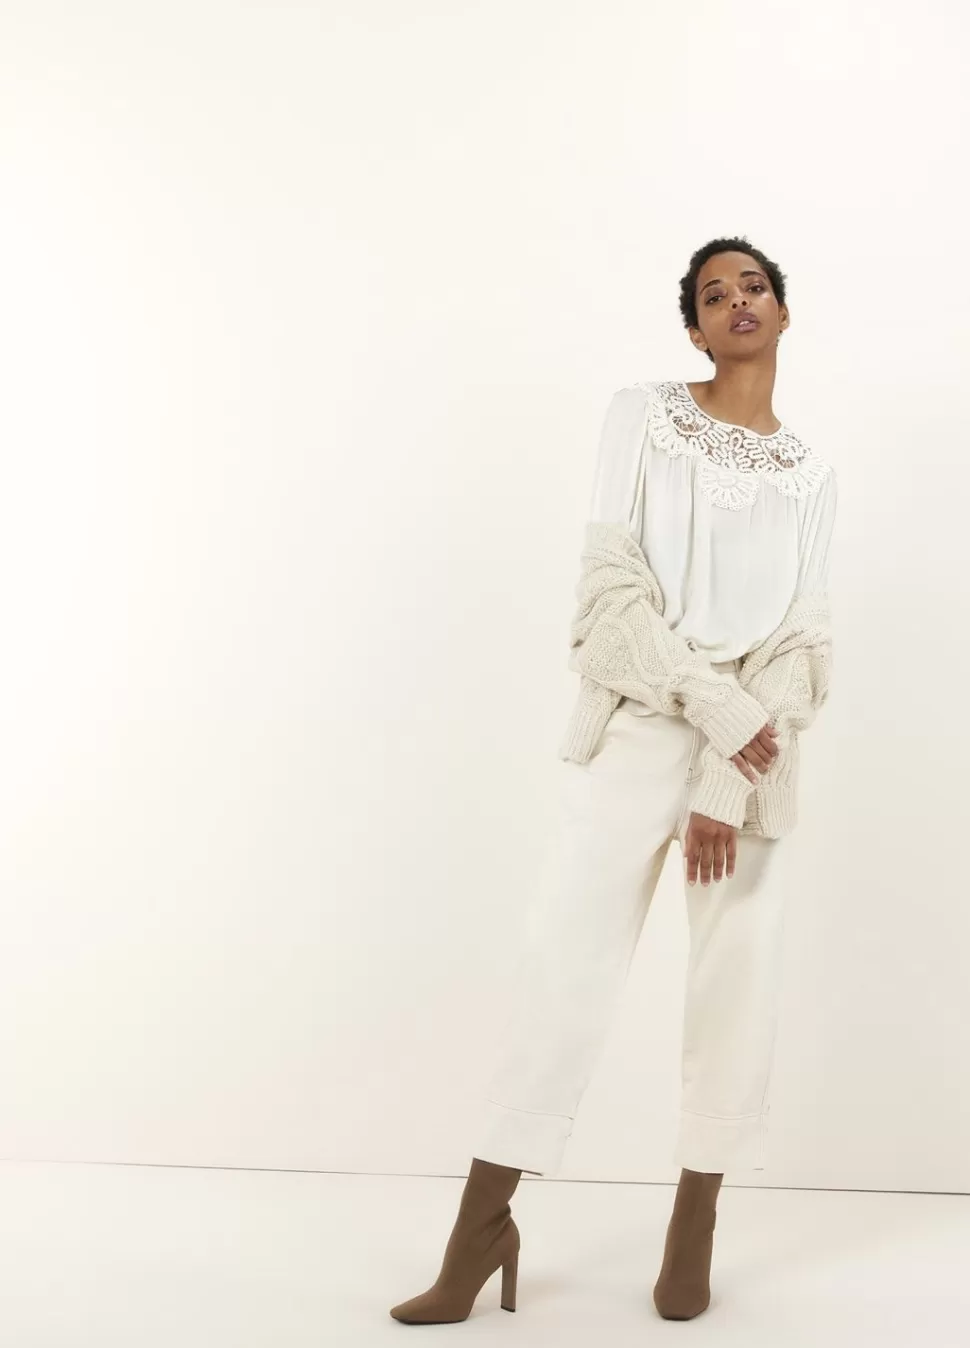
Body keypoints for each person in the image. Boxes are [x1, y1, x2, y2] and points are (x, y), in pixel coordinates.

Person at [389, 237, 837, 1326]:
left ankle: (695, 1225)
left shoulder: (813, 474)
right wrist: (710, 706)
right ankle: (481, 1226)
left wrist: (726, 781)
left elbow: (801, 645)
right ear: (692, 327)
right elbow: (606, 597)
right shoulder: (641, 417)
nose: (737, 302)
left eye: (754, 287)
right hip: (642, 722)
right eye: (714, 294)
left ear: (784, 313)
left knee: (736, 980)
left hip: (752, 760)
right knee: (566, 966)